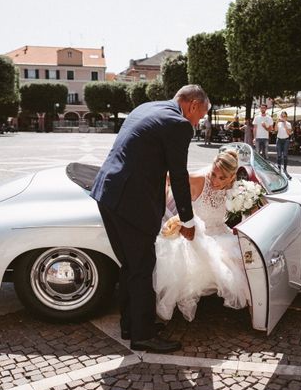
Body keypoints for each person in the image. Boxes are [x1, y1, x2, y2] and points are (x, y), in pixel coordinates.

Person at [90, 84, 209, 353]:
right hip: (132, 201)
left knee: (130, 265)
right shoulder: (179, 124)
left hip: (107, 193)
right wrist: (187, 221)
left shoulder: (146, 107)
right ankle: (142, 335)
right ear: (191, 105)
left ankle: (131, 324)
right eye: (199, 116)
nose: (197, 122)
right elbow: (179, 176)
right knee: (143, 266)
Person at [154, 150, 249, 322]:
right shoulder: (199, 180)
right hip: (198, 235)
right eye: (213, 174)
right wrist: (162, 211)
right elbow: (167, 177)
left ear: (231, 177)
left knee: (245, 257)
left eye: (222, 178)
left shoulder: (237, 189)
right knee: (208, 261)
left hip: (221, 232)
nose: (215, 181)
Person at [274, 111, 292, 178]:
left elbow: (289, 133)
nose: (283, 118)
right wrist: (276, 122)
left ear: (286, 117)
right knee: (279, 155)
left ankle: (285, 169)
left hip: (286, 140)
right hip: (279, 140)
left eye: (284, 116)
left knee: (285, 156)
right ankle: (278, 169)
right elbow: (275, 130)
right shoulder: (278, 123)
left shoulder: (288, 124)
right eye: (282, 116)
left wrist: (285, 125)